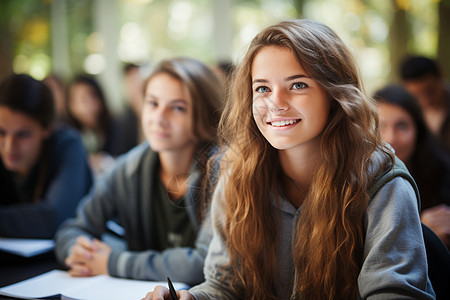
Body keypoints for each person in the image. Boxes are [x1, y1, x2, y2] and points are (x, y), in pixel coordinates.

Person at [144, 19, 435, 300]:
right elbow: (225, 287)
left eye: (297, 85)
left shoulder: (382, 181)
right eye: (262, 88)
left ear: (335, 94)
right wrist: (190, 298)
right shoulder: (237, 173)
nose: (276, 103)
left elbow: (393, 294)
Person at [54, 57, 223, 286]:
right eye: (153, 103)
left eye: (177, 108)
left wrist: (112, 263)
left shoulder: (223, 172)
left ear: (204, 115)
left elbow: (204, 264)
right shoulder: (128, 168)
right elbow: (71, 230)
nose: (159, 119)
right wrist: (78, 251)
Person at [0, 73, 93, 238]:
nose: (9, 147)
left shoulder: (68, 145)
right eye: (1, 133)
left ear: (47, 129)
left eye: (23, 134)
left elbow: (56, 218)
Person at [374, 84, 450, 248]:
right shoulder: (354, 182)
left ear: (418, 130)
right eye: (381, 126)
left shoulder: (443, 173)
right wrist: (422, 232)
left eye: (401, 126)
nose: (390, 138)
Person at [66, 75, 119, 175]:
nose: (90, 104)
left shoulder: (117, 128)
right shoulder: (68, 136)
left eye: (93, 96)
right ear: (71, 104)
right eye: (83, 100)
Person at [400, 55, 450, 152]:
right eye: (416, 95)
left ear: (440, 75)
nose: (425, 101)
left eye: (430, 92)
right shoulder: (407, 110)